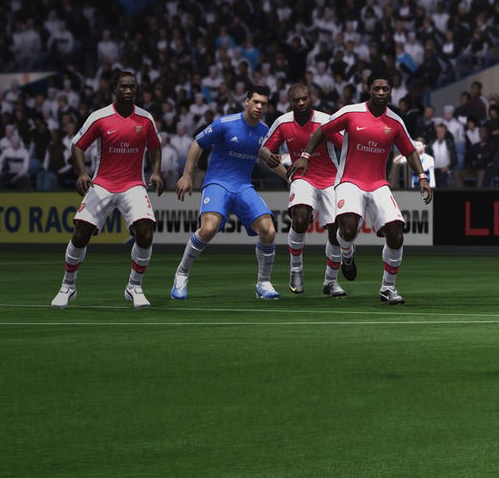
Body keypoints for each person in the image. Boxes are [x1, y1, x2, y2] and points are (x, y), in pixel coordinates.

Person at [291, 76, 433, 306]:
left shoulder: (395, 121)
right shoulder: (350, 112)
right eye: (376, 88)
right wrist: (306, 156)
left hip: (378, 184)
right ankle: (347, 254)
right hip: (349, 180)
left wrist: (423, 177)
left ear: (391, 91)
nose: (381, 92)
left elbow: (409, 151)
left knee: (396, 234)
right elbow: (322, 131)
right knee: (347, 230)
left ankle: (388, 288)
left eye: (385, 89)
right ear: (368, 89)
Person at [51, 71, 163, 310]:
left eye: (132, 86)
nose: (129, 90)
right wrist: (82, 173)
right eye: (124, 86)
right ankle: (67, 286)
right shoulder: (99, 117)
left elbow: (155, 146)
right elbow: (77, 145)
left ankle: (134, 287)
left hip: (133, 184)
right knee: (80, 234)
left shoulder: (145, 118)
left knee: (145, 233)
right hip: (102, 183)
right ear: (115, 89)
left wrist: (155, 172)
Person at [172, 86, 283, 300]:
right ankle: (181, 274)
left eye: (263, 103)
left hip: (243, 186)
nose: (259, 106)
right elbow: (197, 144)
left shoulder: (264, 131)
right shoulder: (224, 123)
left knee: (268, 230)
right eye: (256, 101)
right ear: (247, 101)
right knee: (208, 229)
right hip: (217, 183)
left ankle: (263, 283)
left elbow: (268, 158)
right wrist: (186, 175)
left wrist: (290, 178)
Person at [259, 84, 347, 298]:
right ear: (289, 102)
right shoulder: (283, 122)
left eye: (304, 99)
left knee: (336, 230)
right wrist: (268, 155)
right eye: (296, 100)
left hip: (330, 178)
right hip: (302, 177)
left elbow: (346, 145)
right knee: (300, 217)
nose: (301, 103)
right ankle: (296, 270)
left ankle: (331, 281)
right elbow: (264, 149)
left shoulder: (325, 120)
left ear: (310, 98)